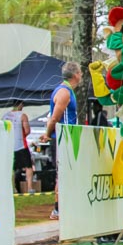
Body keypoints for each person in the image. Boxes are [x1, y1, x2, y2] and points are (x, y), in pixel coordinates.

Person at [39, 61, 82, 220]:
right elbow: (55, 117)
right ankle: (58, 209)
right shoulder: (64, 92)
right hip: (62, 138)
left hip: (67, 137)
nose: (82, 76)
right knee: (62, 173)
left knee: (66, 173)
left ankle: (63, 206)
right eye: (81, 73)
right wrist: (47, 134)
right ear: (76, 74)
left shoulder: (67, 91)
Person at [3, 101, 34, 194]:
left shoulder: (5, 116)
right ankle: (29, 188)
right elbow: (27, 130)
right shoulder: (23, 115)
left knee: (11, 168)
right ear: (20, 105)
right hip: (21, 145)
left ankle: (13, 188)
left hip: (10, 145)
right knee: (28, 166)